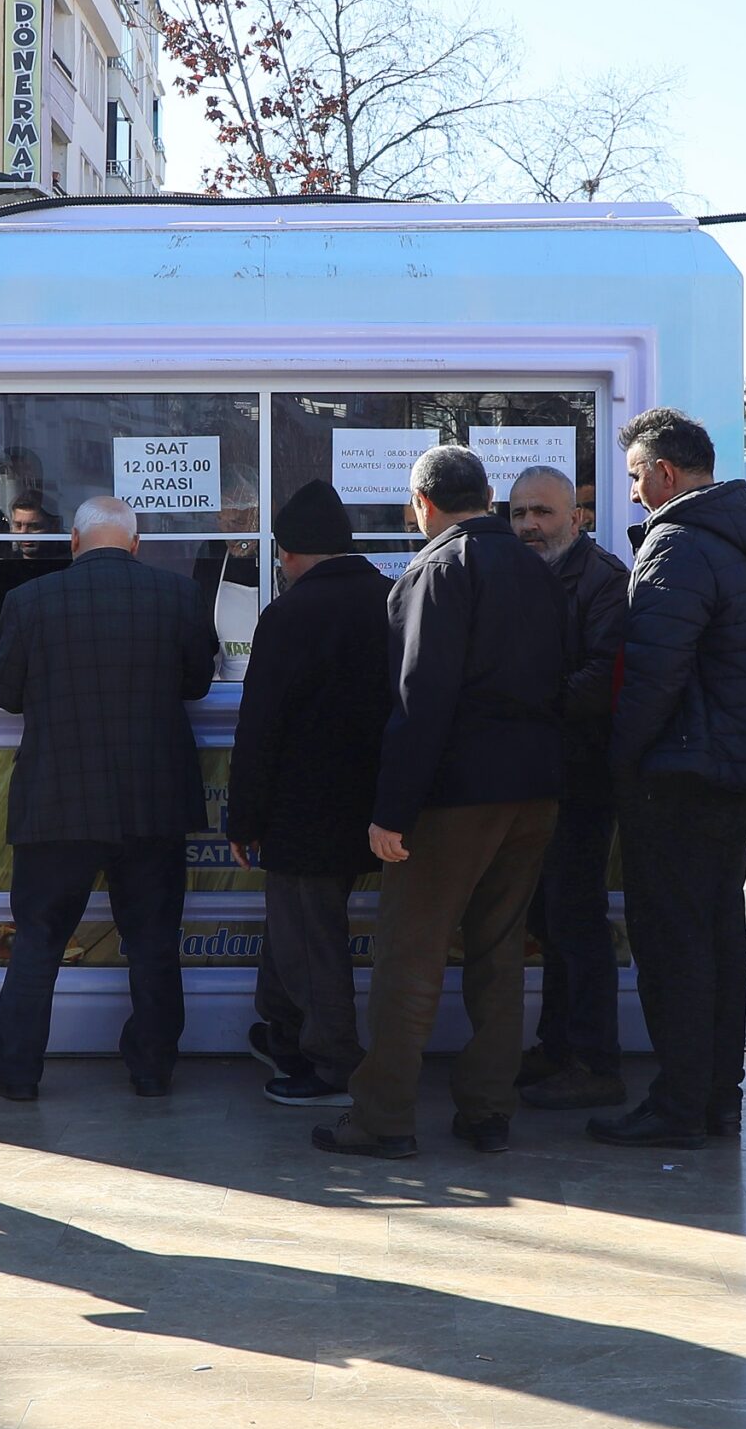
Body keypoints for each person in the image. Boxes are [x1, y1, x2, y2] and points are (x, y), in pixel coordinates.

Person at [314, 446, 568, 1159]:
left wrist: (392, 810)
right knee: (500, 951)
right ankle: (489, 1109)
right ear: (488, 495)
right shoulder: (537, 566)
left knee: (411, 955)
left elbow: (419, 698)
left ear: (421, 503)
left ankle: (382, 1117)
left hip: (455, 794)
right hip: (534, 788)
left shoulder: (436, 569)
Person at [590, 408, 746, 1150]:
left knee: (675, 945)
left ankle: (681, 1102)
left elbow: (653, 674)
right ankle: (717, 1096)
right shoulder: (744, 543)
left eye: (634, 477)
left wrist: (618, 760)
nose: (631, 495)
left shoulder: (679, 544)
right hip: (735, 775)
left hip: (682, 775)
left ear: (662, 471)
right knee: (718, 937)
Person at [0, 497, 217, 1101]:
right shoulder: (179, 597)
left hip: (58, 799)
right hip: (153, 798)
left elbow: (5, 694)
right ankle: (151, 1069)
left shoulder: (30, 601)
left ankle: (15, 1074)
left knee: (38, 937)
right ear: (135, 545)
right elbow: (196, 683)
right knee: (154, 941)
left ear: (73, 544)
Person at [225, 481, 393, 1108]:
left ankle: (332, 1064)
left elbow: (260, 725)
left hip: (303, 806)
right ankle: (283, 1032)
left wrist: (243, 817)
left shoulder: (290, 614)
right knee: (295, 930)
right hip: (376, 802)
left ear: (289, 553)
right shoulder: (391, 598)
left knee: (309, 940)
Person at [509, 463, 633, 1112]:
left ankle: (593, 1059)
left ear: (576, 517)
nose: (530, 524)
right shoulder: (519, 576)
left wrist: (520, 703)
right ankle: (557, 1046)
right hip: (532, 775)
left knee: (576, 919)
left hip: (580, 778)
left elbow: (599, 679)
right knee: (547, 918)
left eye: (543, 512)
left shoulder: (603, 580)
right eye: (520, 513)